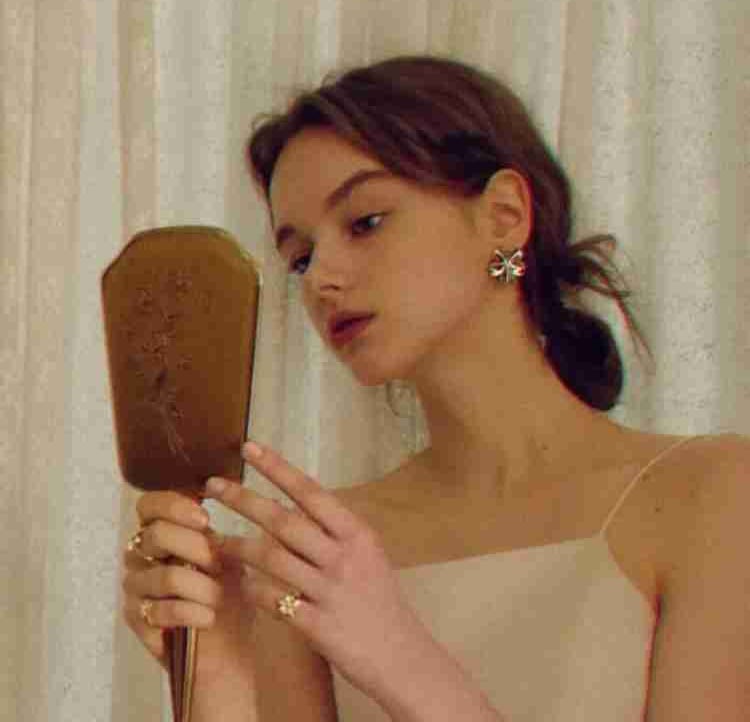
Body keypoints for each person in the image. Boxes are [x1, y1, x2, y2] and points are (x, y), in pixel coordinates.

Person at [121, 55, 750, 721]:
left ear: (504, 215)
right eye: (300, 258)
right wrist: (219, 670)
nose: (321, 278)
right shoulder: (316, 549)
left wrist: (400, 657)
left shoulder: (712, 495)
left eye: (365, 222)